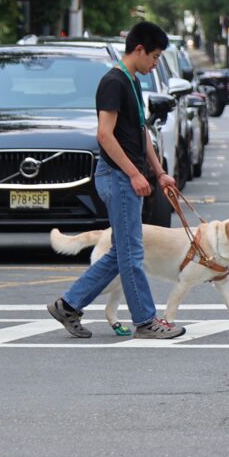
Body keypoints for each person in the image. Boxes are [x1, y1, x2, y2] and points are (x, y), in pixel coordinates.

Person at [48, 21, 185, 340]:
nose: (155, 64)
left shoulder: (132, 82)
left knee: (121, 252)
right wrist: (135, 174)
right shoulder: (112, 82)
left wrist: (159, 171)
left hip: (129, 175)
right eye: (154, 56)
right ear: (138, 49)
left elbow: (140, 134)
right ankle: (146, 320)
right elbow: (105, 135)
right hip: (118, 176)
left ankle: (68, 305)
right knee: (133, 253)